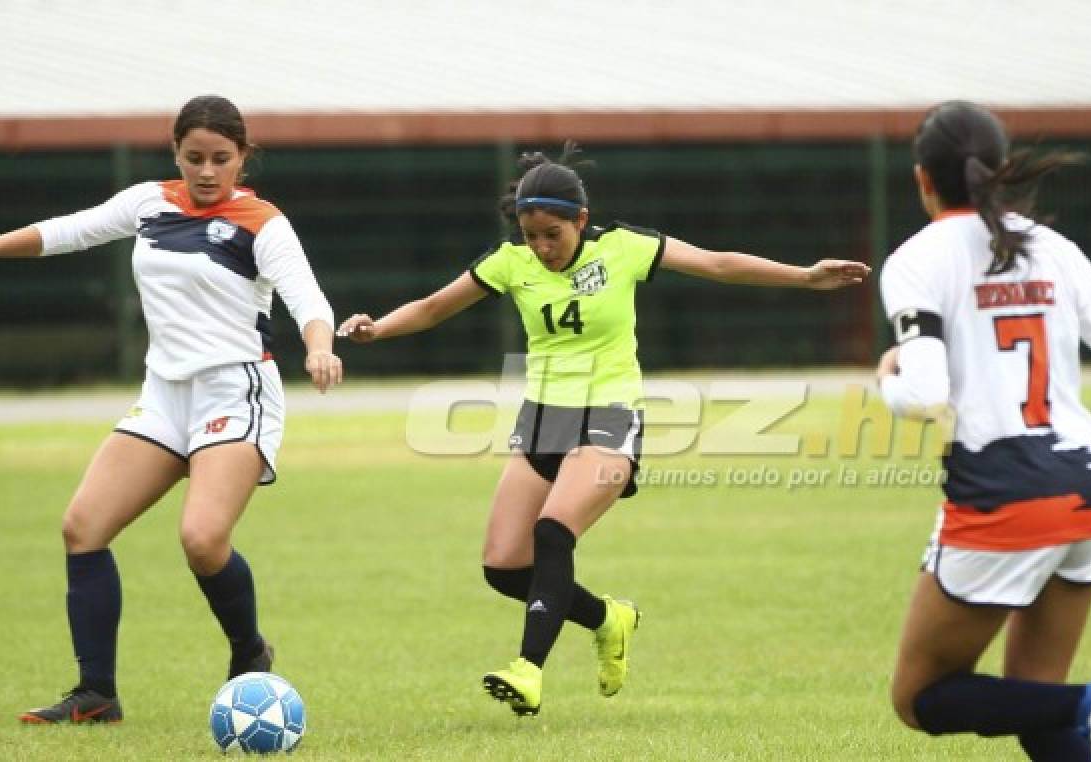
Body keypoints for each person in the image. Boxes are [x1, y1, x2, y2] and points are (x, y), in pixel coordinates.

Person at [338, 143, 869, 716]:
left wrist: (805, 277)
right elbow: (433, 307)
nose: (541, 248)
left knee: (552, 532)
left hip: (611, 415)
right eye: (531, 235)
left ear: (581, 220)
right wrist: (377, 329)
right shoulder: (510, 261)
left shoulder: (623, 248)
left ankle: (528, 670)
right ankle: (607, 618)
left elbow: (716, 263)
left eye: (552, 235)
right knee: (504, 566)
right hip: (543, 419)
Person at [0, 95, 342, 724]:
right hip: (164, 394)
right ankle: (96, 693)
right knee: (83, 527)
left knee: (202, 540)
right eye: (194, 157)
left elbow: (308, 299)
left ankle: (249, 651)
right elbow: (73, 229)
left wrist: (320, 348)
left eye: (221, 158)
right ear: (175, 152)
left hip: (235, 391)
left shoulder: (262, 223)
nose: (207, 171)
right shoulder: (149, 202)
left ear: (242, 157)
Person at [877, 100, 1091, 761]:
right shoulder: (1052, 247)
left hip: (1004, 496)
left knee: (920, 697)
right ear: (1000, 168)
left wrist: (887, 378)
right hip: (1088, 494)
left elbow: (923, 395)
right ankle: (1087, 707)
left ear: (922, 179)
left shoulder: (918, 259)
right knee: (1032, 707)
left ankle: (1090, 700)